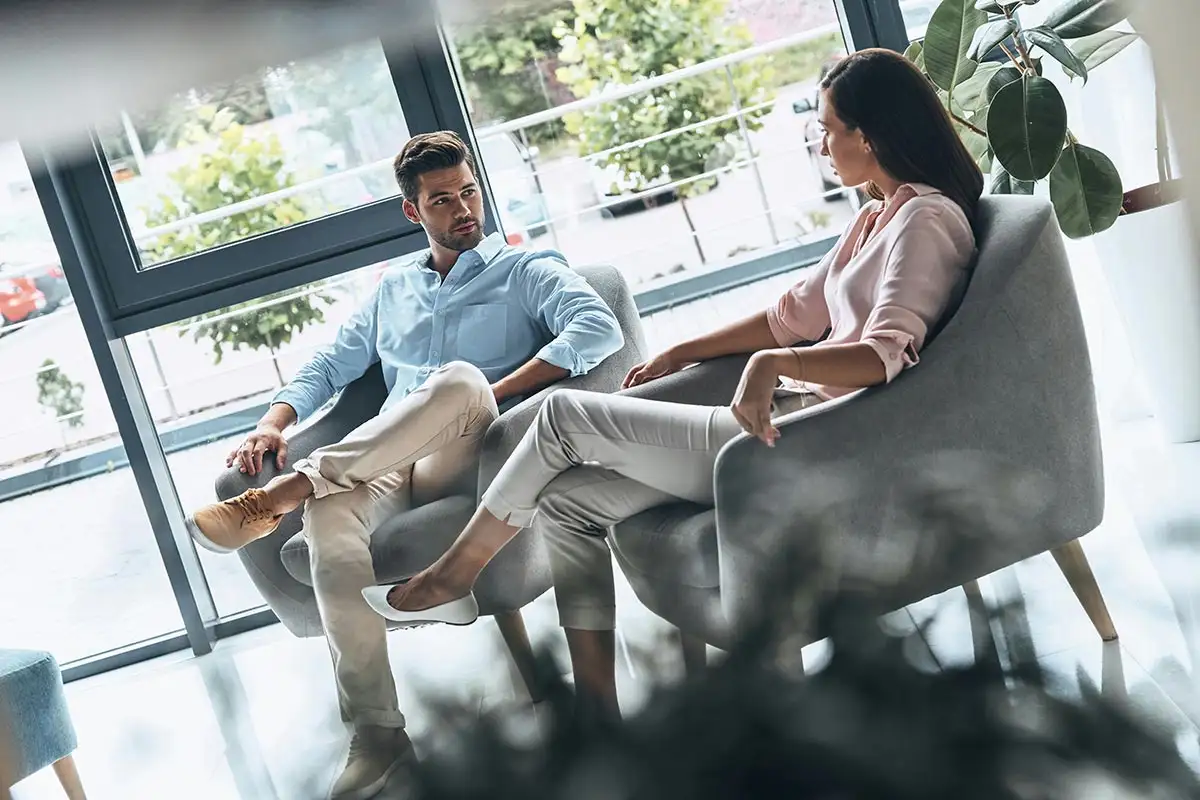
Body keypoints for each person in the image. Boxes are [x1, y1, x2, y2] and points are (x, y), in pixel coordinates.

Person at [364, 48, 983, 721]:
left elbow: (884, 355)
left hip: (809, 440)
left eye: (828, 127)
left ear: (869, 135)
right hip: (778, 427)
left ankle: (456, 574)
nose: (821, 141)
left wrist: (772, 366)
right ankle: (599, 719)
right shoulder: (878, 216)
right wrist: (684, 348)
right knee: (568, 501)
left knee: (562, 418)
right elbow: (791, 315)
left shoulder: (926, 220)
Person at [184, 131, 624, 800]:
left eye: (469, 192)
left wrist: (494, 393)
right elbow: (331, 364)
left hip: (476, 449)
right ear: (414, 213)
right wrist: (273, 421)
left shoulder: (525, 269)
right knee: (330, 518)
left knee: (458, 382)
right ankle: (380, 735)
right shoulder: (393, 288)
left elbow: (598, 330)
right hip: (384, 462)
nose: (463, 209)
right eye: (443, 200)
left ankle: (287, 490)